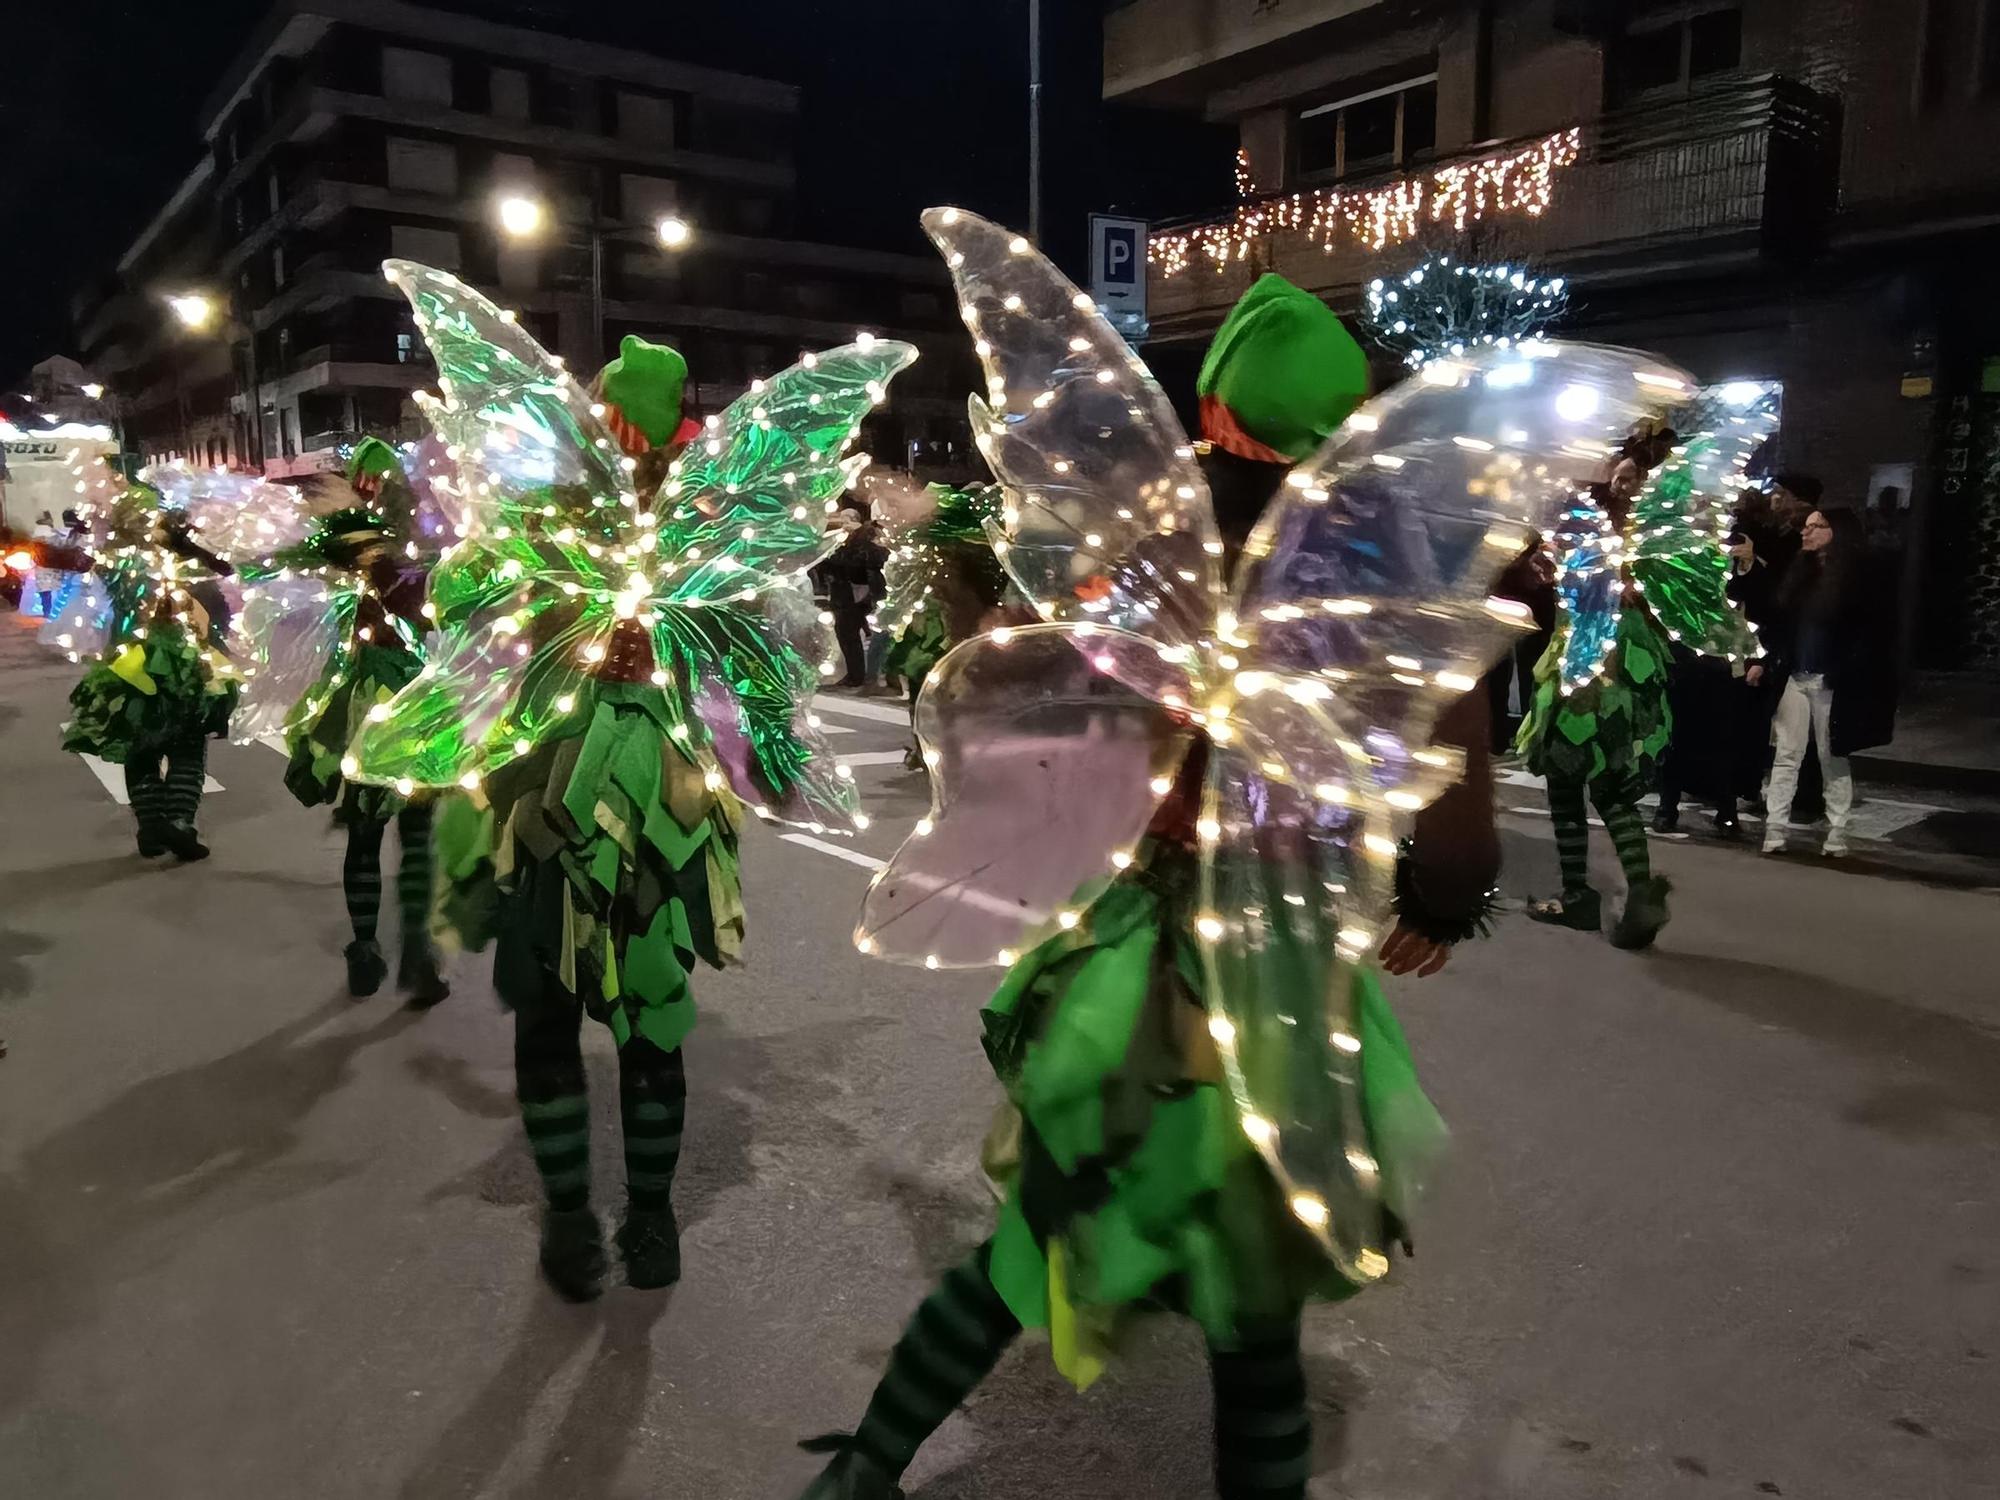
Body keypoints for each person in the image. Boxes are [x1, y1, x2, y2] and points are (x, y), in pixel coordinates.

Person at [797, 223, 1667, 1500]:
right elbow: (1459, 799)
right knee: (1255, 1312)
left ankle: (861, 1475)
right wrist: (1435, 899)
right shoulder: (1381, 570)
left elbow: (1015, 710)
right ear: (1351, 419)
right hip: (1277, 953)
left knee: (1029, 1241)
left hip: (1125, 948)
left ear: (1210, 405)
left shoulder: (1126, 543)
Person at [351, 263, 917, 1302]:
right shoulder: (710, 534)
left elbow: (461, 602)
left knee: (549, 1013)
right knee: (647, 1016)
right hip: (664, 792)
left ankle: (580, 1217)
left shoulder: (547, 521)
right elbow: (792, 649)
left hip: (556, 790)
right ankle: (642, 1220)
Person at [1517, 420, 1764, 949]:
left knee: (1570, 781)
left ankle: (1584, 896)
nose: (1621, 483)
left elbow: (1603, 589)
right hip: (1624, 672)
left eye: (1631, 477)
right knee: (1604, 787)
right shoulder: (1634, 533)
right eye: (1620, 475)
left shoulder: (1626, 536)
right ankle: (1637, 888)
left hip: (1592, 669)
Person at [1759, 507, 1895, 856]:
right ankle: (1775, 826)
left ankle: (1837, 830)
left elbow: (1868, 634)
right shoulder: (1800, 573)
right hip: (1796, 675)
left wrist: (1846, 669)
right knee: (1787, 754)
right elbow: (1778, 620)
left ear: (1837, 532)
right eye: (1806, 527)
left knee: (1830, 755)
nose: (1806, 533)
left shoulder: (1856, 578)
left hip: (1831, 679)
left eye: (1816, 527)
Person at [822, 497, 887, 687]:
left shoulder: (861, 541)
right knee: (845, 634)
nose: (843, 524)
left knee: (850, 633)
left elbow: (854, 564)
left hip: (857, 595)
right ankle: (855, 674)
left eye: (847, 520)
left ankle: (858, 676)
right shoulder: (845, 540)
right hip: (844, 593)